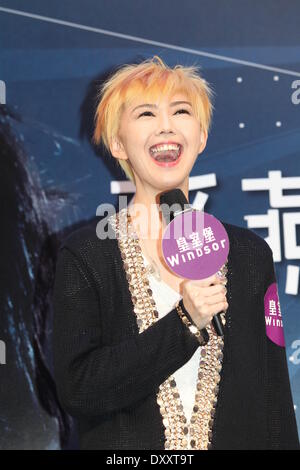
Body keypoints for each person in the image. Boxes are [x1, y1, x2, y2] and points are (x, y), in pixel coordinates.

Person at [52, 56, 299, 450]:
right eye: (146, 113)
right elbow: (80, 389)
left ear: (200, 136)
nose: (166, 125)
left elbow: (274, 405)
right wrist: (185, 323)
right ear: (118, 143)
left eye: (181, 111)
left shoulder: (250, 256)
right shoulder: (87, 255)